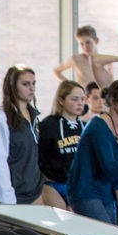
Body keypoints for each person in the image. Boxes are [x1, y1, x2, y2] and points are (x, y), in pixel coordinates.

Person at [66, 79, 118, 235]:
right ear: (113, 101)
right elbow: (109, 167)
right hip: (85, 190)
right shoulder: (97, 127)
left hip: (105, 192)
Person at [0, 65, 44, 205]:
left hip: (35, 191)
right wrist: (8, 200)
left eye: (33, 83)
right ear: (12, 86)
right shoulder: (0, 117)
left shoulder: (34, 116)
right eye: (25, 84)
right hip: (12, 194)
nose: (32, 88)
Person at [37, 80, 86, 209]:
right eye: (74, 99)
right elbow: (39, 156)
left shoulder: (86, 127)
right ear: (61, 100)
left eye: (82, 99)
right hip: (54, 184)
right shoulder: (48, 125)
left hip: (80, 186)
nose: (80, 103)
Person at [54, 25, 118, 88]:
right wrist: (72, 87)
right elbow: (57, 71)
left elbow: (110, 82)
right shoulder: (76, 59)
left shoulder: (107, 61)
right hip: (85, 98)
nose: (85, 47)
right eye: (81, 44)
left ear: (96, 41)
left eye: (88, 42)